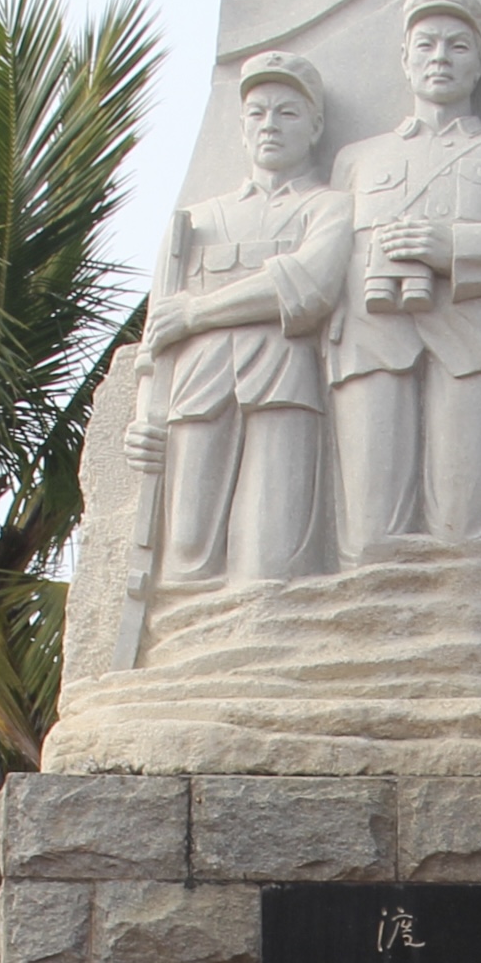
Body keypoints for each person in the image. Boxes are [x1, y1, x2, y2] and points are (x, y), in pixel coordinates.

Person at [323, 0, 481, 560]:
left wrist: (446, 246)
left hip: (478, 345)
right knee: (369, 537)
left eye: (457, 46)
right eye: (425, 45)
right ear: (404, 60)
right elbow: (323, 256)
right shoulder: (358, 160)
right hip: (372, 344)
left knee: (468, 539)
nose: (439, 57)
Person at [120, 49, 350, 584]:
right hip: (196, 392)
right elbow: (156, 335)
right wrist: (143, 417)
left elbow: (308, 285)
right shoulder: (196, 222)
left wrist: (198, 311)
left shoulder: (330, 207)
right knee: (186, 552)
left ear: (315, 126)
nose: (270, 125)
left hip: (284, 383)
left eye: (288, 112)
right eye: (257, 112)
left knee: (276, 555)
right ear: (241, 128)